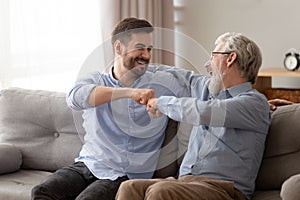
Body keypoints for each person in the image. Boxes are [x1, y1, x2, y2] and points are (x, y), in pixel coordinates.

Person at [31, 17, 190, 200]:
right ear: (118, 47)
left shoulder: (164, 82)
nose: (146, 55)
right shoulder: (95, 81)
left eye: (149, 49)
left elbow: (201, 86)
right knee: (41, 192)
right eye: (140, 47)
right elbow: (75, 98)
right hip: (89, 165)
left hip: (127, 175)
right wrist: (129, 93)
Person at [115, 32, 271, 200]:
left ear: (230, 58)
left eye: (213, 56)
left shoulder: (254, 103)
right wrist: (126, 69)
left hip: (223, 189)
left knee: (161, 191)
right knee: (129, 187)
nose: (207, 64)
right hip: (185, 183)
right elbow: (175, 74)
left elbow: (204, 111)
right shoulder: (206, 89)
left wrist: (161, 103)